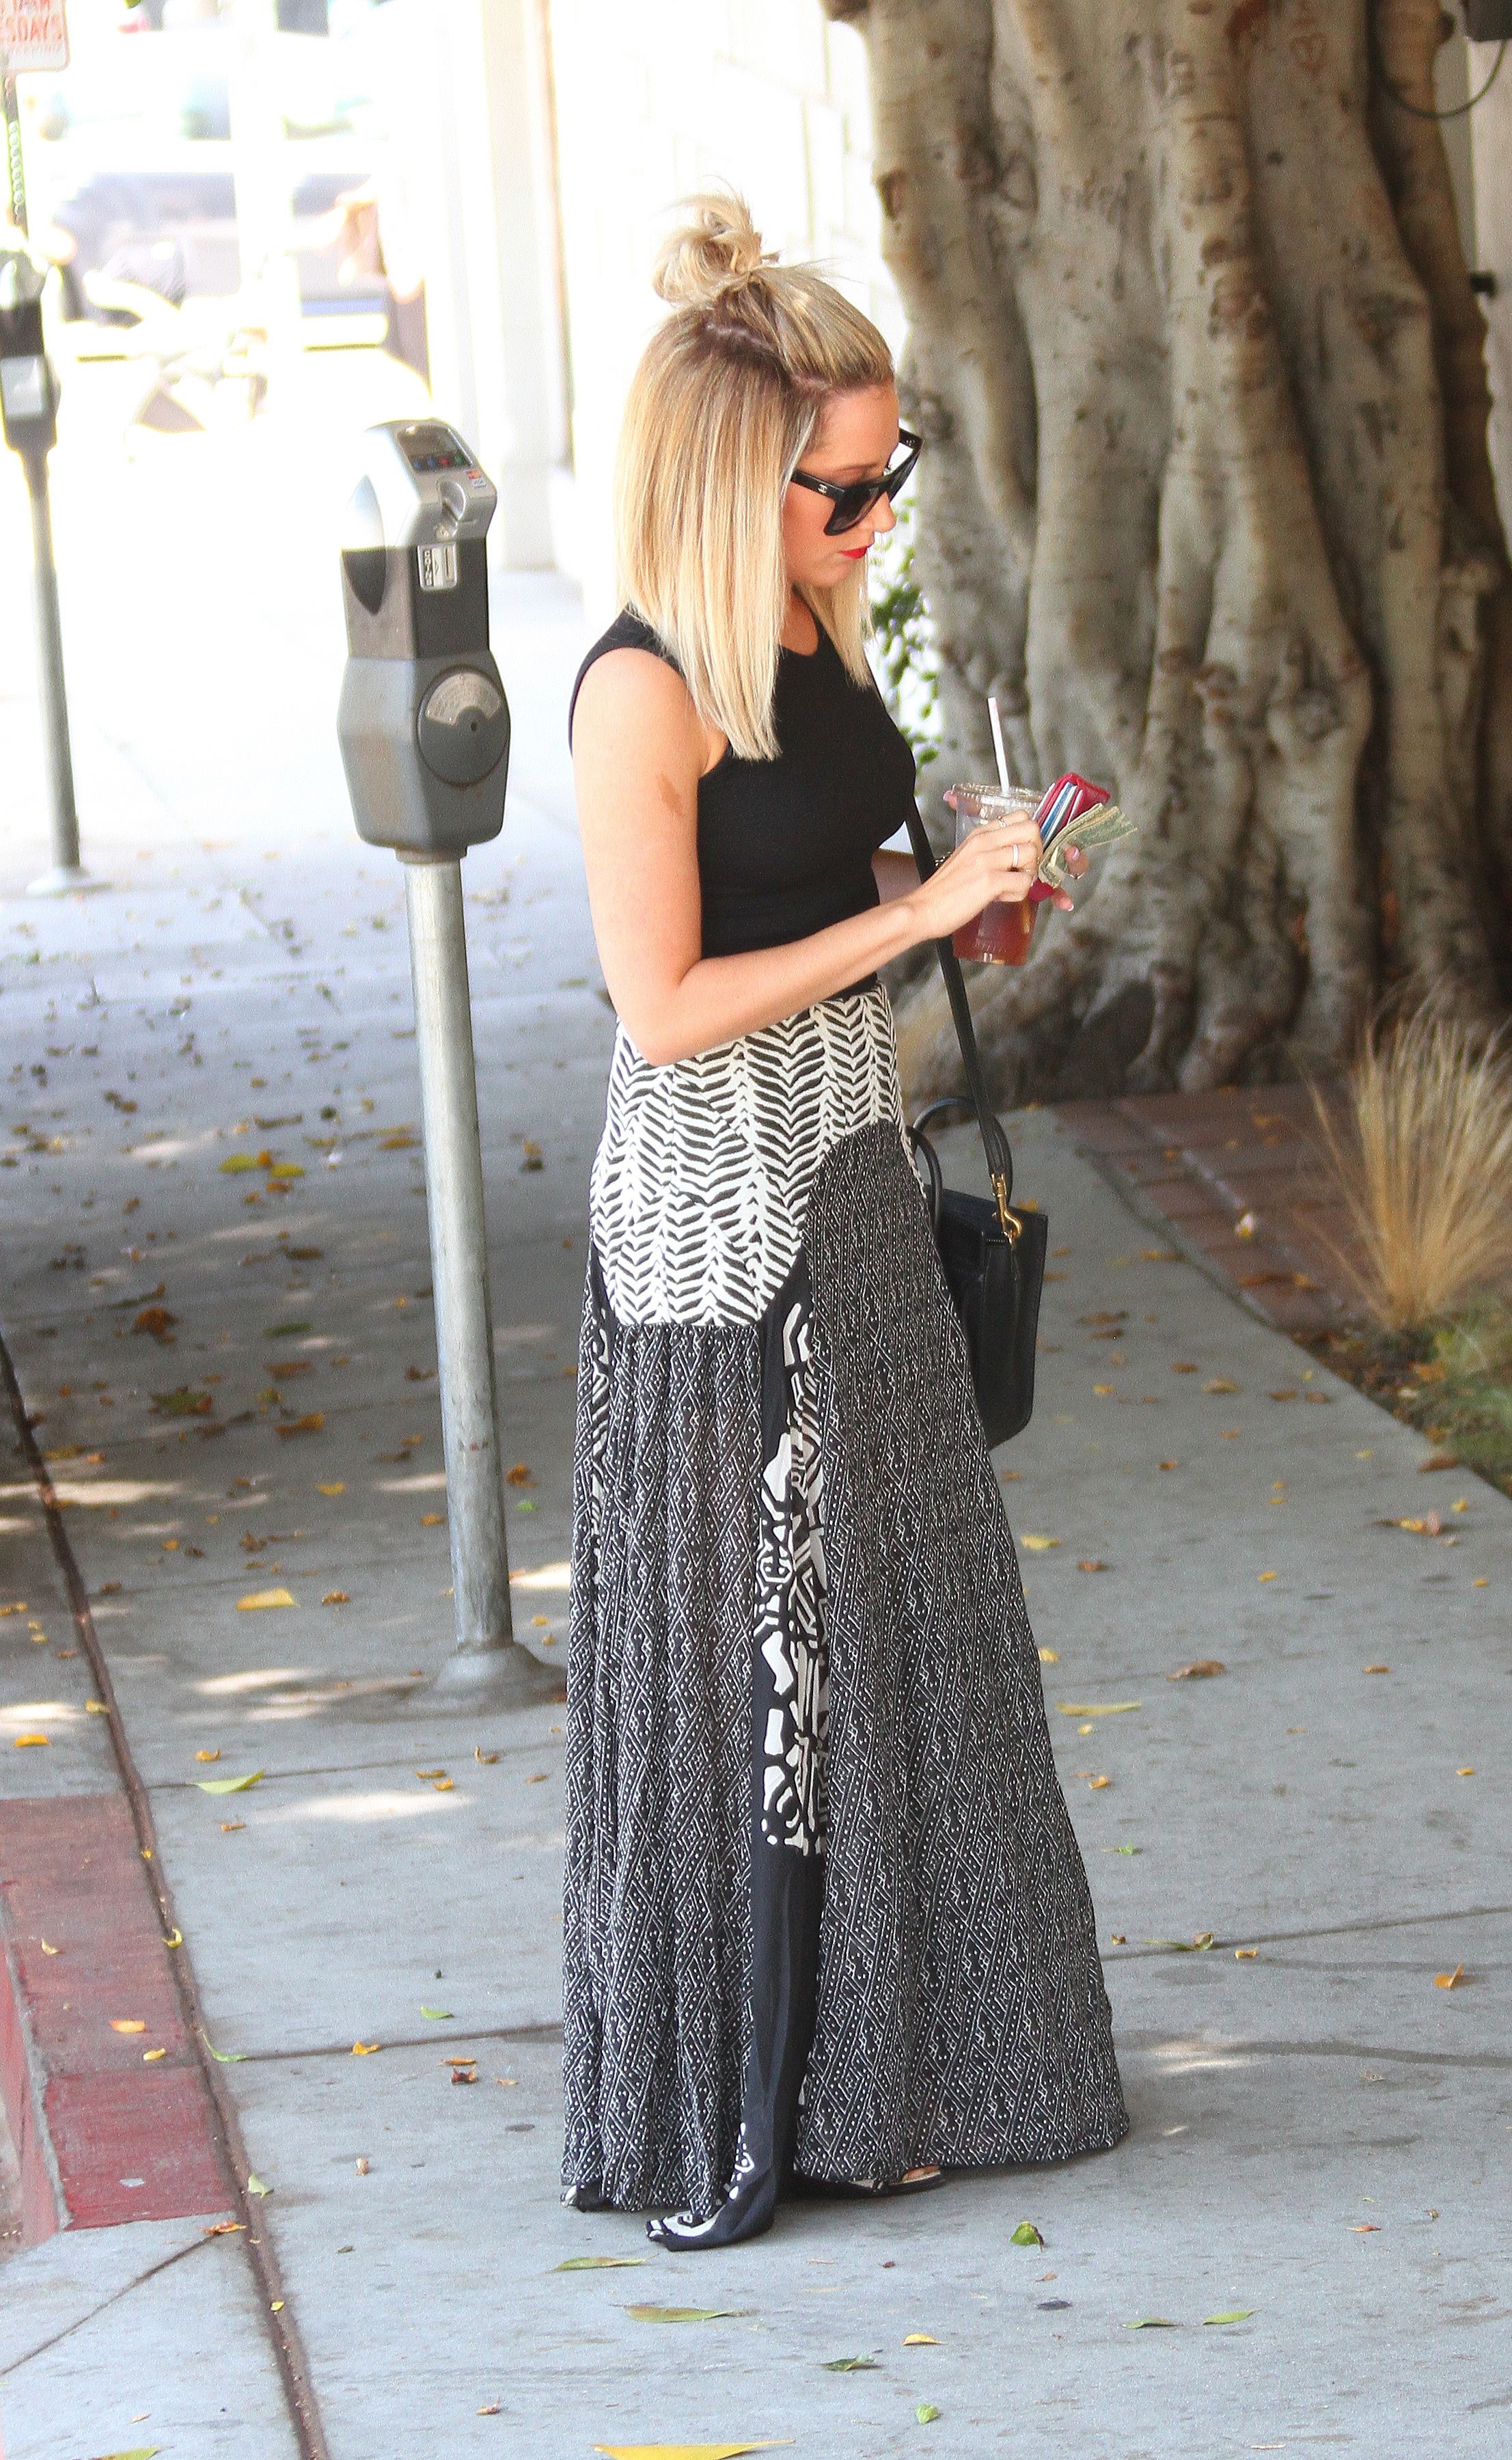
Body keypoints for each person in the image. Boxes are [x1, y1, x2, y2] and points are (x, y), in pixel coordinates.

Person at [562, 192, 1127, 2254]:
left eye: (896, 473)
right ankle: (750, 2109)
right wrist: (911, 911)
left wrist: (975, 862)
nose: (881, 511)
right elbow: (668, 1002)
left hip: (856, 1180)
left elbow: (838, 864)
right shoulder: (642, 693)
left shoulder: (814, 626)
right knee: (772, 1674)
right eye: (848, 485)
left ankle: (904, 2084)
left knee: (905, 1633)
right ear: (739, 484)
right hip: (722, 1233)